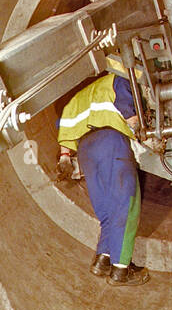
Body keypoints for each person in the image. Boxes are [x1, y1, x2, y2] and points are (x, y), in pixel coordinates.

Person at [56, 55, 149, 285]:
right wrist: (148, 139)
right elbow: (133, 119)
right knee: (126, 206)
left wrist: (65, 155)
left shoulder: (89, 93)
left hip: (86, 149)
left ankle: (103, 260)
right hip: (111, 142)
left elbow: (66, 122)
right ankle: (121, 270)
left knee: (108, 210)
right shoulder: (123, 80)